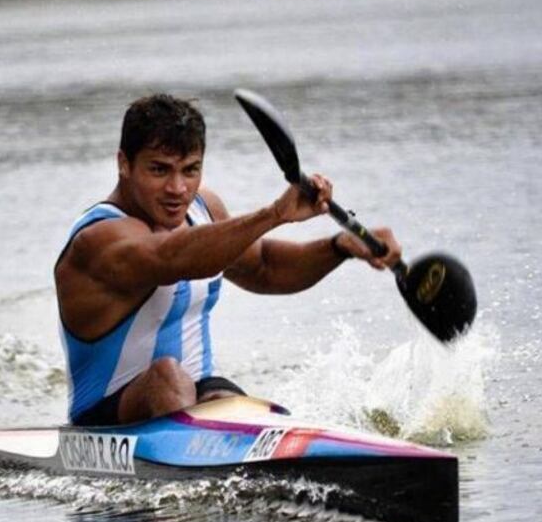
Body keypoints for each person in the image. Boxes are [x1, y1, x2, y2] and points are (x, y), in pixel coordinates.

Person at [55, 94, 401, 426]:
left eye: (190, 170)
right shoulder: (99, 239)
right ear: (124, 164)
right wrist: (276, 213)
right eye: (159, 170)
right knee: (167, 375)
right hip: (107, 418)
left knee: (243, 406)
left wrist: (340, 246)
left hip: (197, 396)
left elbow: (265, 267)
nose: (177, 188)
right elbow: (172, 257)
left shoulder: (205, 209)